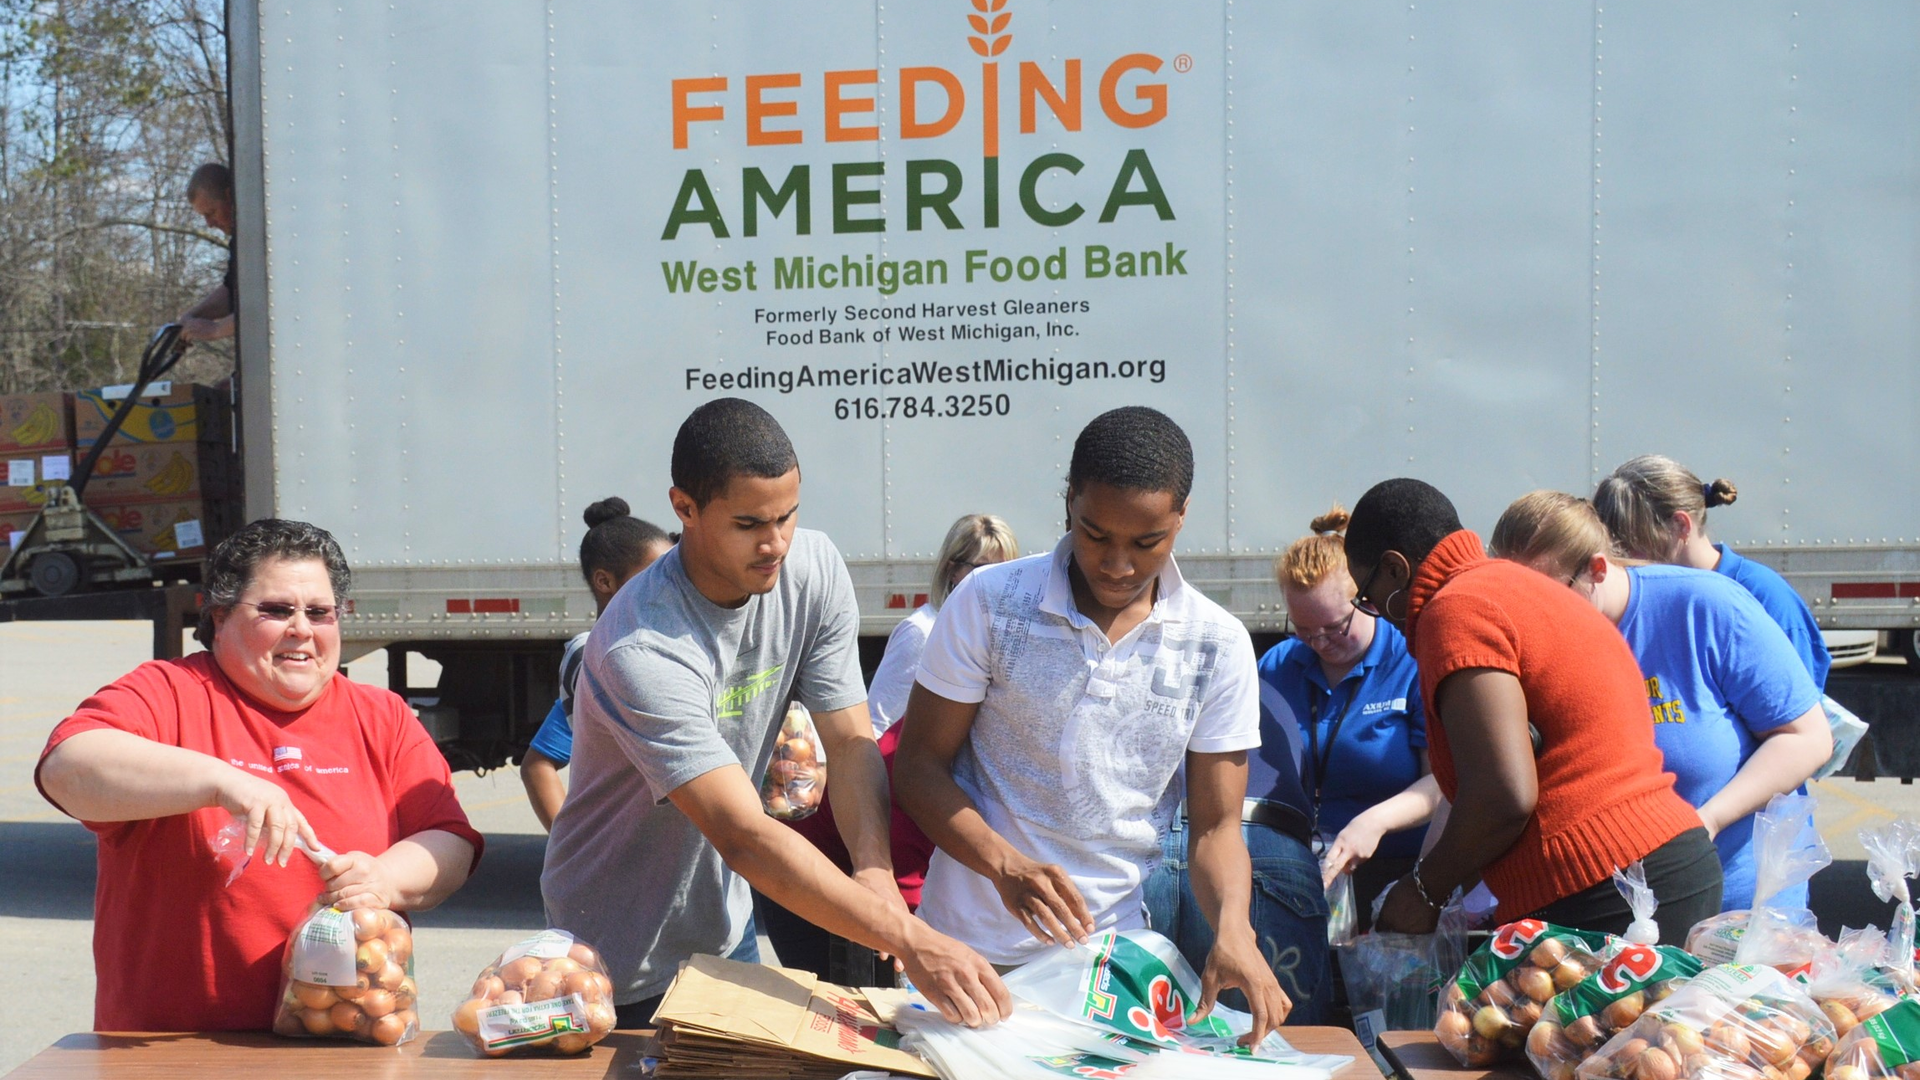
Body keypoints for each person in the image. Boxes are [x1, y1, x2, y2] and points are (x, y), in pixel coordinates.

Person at [539, 397, 1008, 1029]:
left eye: (788, 515)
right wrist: (910, 938)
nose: (775, 543)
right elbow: (743, 834)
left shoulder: (811, 568)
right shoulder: (640, 647)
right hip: (617, 951)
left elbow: (848, 743)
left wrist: (873, 871)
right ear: (684, 508)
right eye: (749, 523)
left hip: (727, 922)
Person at [897, 406, 1289, 1047]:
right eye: (1095, 534)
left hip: (1111, 965)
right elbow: (918, 769)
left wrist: (1234, 932)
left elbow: (1216, 828)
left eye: (1147, 543)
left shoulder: (1215, 643)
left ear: (1181, 517)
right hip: (966, 956)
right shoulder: (991, 603)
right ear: (1069, 501)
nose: (1117, 564)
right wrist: (1004, 866)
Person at [34, 519, 482, 1031]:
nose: (302, 629)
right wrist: (221, 781)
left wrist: (384, 879)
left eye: (320, 612)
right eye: (276, 610)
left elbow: (451, 841)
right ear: (220, 615)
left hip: (345, 1039)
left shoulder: (382, 715)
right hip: (177, 1049)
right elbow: (67, 768)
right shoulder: (169, 692)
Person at [1344, 478, 1720, 945]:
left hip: (1604, 884)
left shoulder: (1456, 611)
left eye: (1368, 597)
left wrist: (1422, 891)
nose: (1377, 611)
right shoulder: (1515, 587)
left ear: (1396, 570)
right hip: (1657, 865)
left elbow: (1502, 795)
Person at [1489, 491, 1831, 911]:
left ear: (1597, 570)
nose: (1529, 616)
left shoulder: (1704, 607)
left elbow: (1807, 737)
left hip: (1738, 911)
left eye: (1545, 594)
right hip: (1614, 913)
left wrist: (1708, 820)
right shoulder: (1532, 638)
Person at [757, 512, 1017, 978]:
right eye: (973, 568)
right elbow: (866, 742)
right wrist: (915, 938)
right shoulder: (922, 751)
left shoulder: (981, 752)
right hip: (815, 880)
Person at [1263, 507, 1437, 929]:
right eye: (1303, 630)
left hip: (1396, 872)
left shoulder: (1414, 659)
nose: (1319, 642)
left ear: (1366, 600)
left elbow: (1445, 782)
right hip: (1299, 871)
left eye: (1335, 627)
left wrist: (1374, 822)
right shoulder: (1276, 666)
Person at [1593, 455, 1830, 689]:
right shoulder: (1637, 597)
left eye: (1629, 543)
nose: (1620, 560)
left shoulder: (1763, 595)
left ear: (1680, 525)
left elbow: (1800, 709)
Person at [520, 498, 675, 830]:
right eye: (653, 576)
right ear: (605, 582)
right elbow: (537, 765)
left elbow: (537, 762)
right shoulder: (596, 658)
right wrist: (570, 845)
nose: (668, 588)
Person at [865, 514, 1020, 736]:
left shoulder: (1003, 636)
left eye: (1006, 571)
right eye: (982, 569)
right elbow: (878, 723)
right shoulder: (922, 632)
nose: (994, 582)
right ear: (952, 571)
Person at [180, 162, 237, 343]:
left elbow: (265, 302)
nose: (209, 224)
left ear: (229, 197)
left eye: (211, 212)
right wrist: (190, 318)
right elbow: (232, 291)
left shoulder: (263, 238)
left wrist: (216, 330)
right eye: (204, 216)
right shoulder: (241, 243)